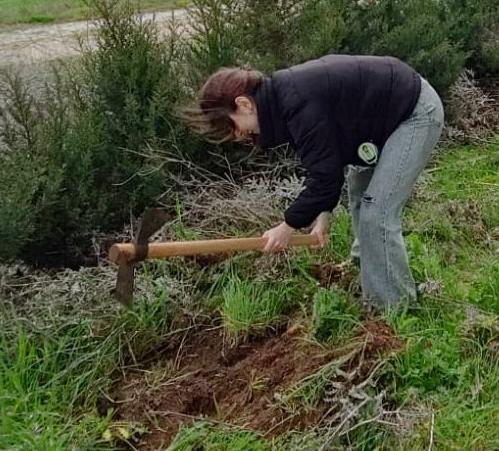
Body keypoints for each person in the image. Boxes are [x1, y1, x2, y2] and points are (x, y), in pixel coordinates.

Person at [185, 55, 444, 310]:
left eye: (231, 126)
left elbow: (325, 179)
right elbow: (326, 160)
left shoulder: (295, 102)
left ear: (243, 104)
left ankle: (393, 308)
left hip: (413, 113)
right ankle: (364, 269)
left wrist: (287, 226)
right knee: (359, 194)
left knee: (377, 212)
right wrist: (323, 215)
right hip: (383, 118)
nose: (237, 135)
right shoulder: (284, 99)